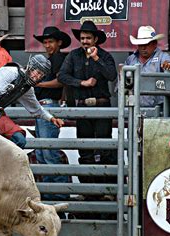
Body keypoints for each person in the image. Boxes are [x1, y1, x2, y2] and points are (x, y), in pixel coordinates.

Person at [58, 21, 117, 187]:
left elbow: (112, 76)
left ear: (95, 39)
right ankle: (88, 190)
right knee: (85, 151)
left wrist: (96, 58)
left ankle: (107, 191)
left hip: (102, 106)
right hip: (82, 107)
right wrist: (81, 83)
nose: (84, 41)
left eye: (88, 38)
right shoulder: (73, 55)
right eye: (82, 38)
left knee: (105, 149)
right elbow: (62, 75)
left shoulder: (104, 56)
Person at [33, 26, 71, 201]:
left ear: (59, 43)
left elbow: (60, 81)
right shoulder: (53, 58)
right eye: (45, 42)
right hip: (43, 106)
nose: (47, 45)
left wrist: (38, 85)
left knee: (48, 153)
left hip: (49, 105)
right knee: (43, 153)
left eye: (51, 42)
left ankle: (58, 195)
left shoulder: (59, 58)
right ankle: (52, 194)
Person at [125, 25, 170, 107]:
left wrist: (168, 65)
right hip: (134, 106)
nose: (143, 47)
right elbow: (123, 85)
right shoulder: (130, 60)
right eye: (141, 44)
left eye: (147, 44)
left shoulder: (163, 57)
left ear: (154, 44)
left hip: (158, 108)